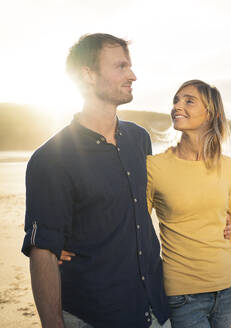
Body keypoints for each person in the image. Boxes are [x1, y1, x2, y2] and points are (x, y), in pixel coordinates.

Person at [21, 33, 172, 328]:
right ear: (87, 75)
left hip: (156, 309)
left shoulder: (139, 139)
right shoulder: (51, 159)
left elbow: (144, 207)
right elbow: (43, 252)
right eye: (120, 67)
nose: (133, 75)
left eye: (130, 66)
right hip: (96, 315)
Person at [146, 80, 231, 328]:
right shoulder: (154, 167)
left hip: (228, 288)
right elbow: (133, 228)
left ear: (210, 113)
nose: (177, 106)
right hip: (182, 295)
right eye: (176, 100)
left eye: (189, 100)